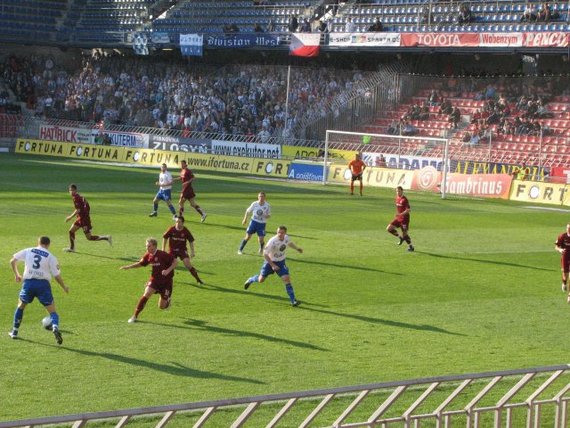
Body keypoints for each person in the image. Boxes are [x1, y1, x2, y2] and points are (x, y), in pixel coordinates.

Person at [9, 236, 69, 344]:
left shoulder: (28, 250)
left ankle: (14, 332)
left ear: (38, 242)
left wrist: (17, 275)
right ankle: (55, 327)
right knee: (53, 312)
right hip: (43, 285)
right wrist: (64, 287)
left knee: (21, 306)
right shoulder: (51, 257)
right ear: (48, 244)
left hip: (29, 283)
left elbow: (12, 261)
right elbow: (56, 275)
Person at [120, 238, 178, 323]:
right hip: (155, 280)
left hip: (166, 282)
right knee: (146, 294)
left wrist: (168, 271)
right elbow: (141, 263)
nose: (146, 248)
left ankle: (168, 301)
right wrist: (129, 267)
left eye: (148, 246)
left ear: (154, 246)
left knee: (162, 307)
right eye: (146, 246)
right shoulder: (148, 255)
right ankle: (134, 316)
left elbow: (176, 261)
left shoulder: (162, 254)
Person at [243, 226, 302, 307]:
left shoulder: (286, 238)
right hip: (269, 262)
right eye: (278, 232)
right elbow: (265, 254)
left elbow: (289, 243)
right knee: (261, 280)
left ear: (285, 233)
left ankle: (293, 301)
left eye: (282, 233)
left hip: (281, 262)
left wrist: (297, 248)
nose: (280, 234)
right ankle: (251, 279)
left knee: (286, 279)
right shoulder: (272, 241)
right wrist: (273, 265)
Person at [64, 184, 112, 252]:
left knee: (89, 237)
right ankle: (72, 248)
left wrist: (70, 217)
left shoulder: (76, 198)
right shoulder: (79, 196)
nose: (71, 192)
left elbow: (78, 210)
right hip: (80, 218)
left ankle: (106, 238)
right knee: (71, 231)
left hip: (84, 220)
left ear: (75, 190)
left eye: (72, 190)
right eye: (70, 190)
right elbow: (86, 207)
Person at [162, 216, 204, 285]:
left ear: (183, 223)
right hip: (172, 250)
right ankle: (166, 280)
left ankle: (198, 279)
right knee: (170, 265)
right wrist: (163, 249)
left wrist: (192, 251)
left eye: (179, 222)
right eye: (176, 222)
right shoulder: (171, 229)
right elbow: (165, 237)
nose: (177, 223)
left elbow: (191, 241)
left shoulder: (185, 231)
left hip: (182, 250)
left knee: (187, 264)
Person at [386, 186, 414, 252]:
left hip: (405, 219)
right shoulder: (397, 198)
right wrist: (399, 215)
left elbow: (408, 210)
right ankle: (400, 238)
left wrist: (400, 214)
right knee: (389, 228)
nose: (397, 192)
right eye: (396, 191)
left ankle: (411, 246)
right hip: (398, 218)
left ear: (402, 191)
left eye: (399, 191)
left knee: (405, 234)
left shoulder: (405, 199)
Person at [556, 224, 570, 300]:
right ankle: (564, 283)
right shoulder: (562, 236)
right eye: (568, 228)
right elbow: (556, 246)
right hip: (565, 258)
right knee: (565, 275)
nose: (568, 229)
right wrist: (560, 250)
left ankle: (569, 295)